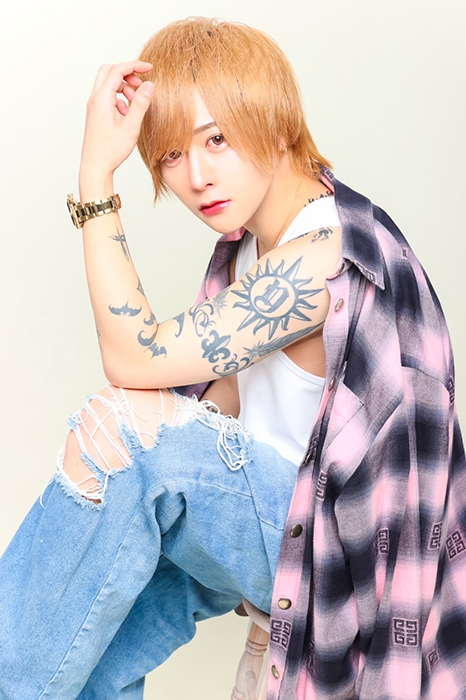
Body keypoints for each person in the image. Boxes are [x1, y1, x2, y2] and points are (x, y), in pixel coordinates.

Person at [0, 15, 465, 700]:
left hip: (339, 559)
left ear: (276, 125)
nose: (196, 176)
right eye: (170, 155)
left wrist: (96, 175)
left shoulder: (326, 257)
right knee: (94, 623)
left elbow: (135, 362)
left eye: (216, 139)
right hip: (276, 530)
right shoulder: (245, 250)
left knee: (123, 432)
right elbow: (214, 424)